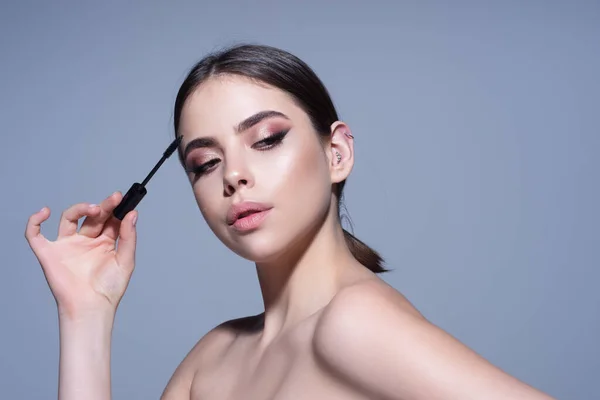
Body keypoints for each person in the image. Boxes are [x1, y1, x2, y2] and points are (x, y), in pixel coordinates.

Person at [25, 43, 554, 400]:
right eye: (205, 164)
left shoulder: (353, 323)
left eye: (267, 140)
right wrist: (84, 315)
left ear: (337, 153)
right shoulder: (211, 361)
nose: (234, 175)